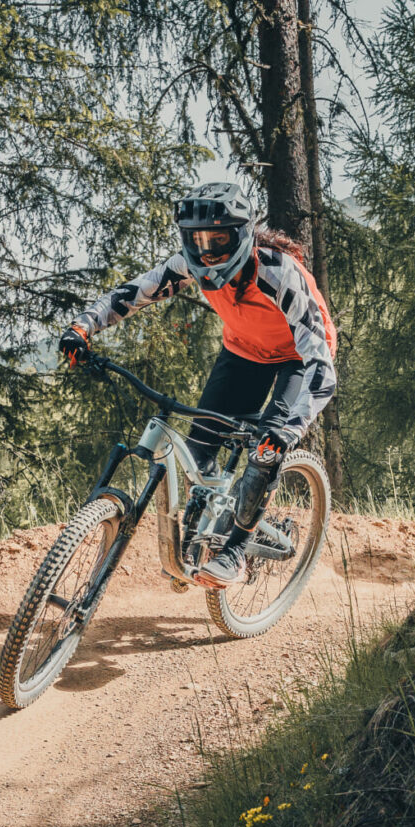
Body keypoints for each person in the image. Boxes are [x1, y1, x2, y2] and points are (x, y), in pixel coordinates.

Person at [58, 181, 337, 588]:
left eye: (218, 239)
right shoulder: (188, 266)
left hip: (300, 357)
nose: (207, 251)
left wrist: (288, 429)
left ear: (241, 235)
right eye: (197, 239)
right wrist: (82, 327)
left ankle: (237, 551)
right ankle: (204, 530)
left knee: (265, 450)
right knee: (199, 452)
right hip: (243, 351)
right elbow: (134, 293)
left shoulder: (279, 273)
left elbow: (321, 367)